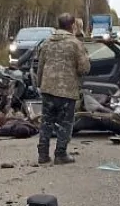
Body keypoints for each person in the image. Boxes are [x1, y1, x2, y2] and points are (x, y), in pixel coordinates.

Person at [35, 13, 90, 165]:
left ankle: (43, 155)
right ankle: (60, 154)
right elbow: (84, 68)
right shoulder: (75, 43)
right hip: (66, 90)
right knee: (66, 122)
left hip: (47, 88)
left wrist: (40, 84)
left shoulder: (47, 42)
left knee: (46, 122)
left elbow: (40, 67)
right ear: (72, 25)